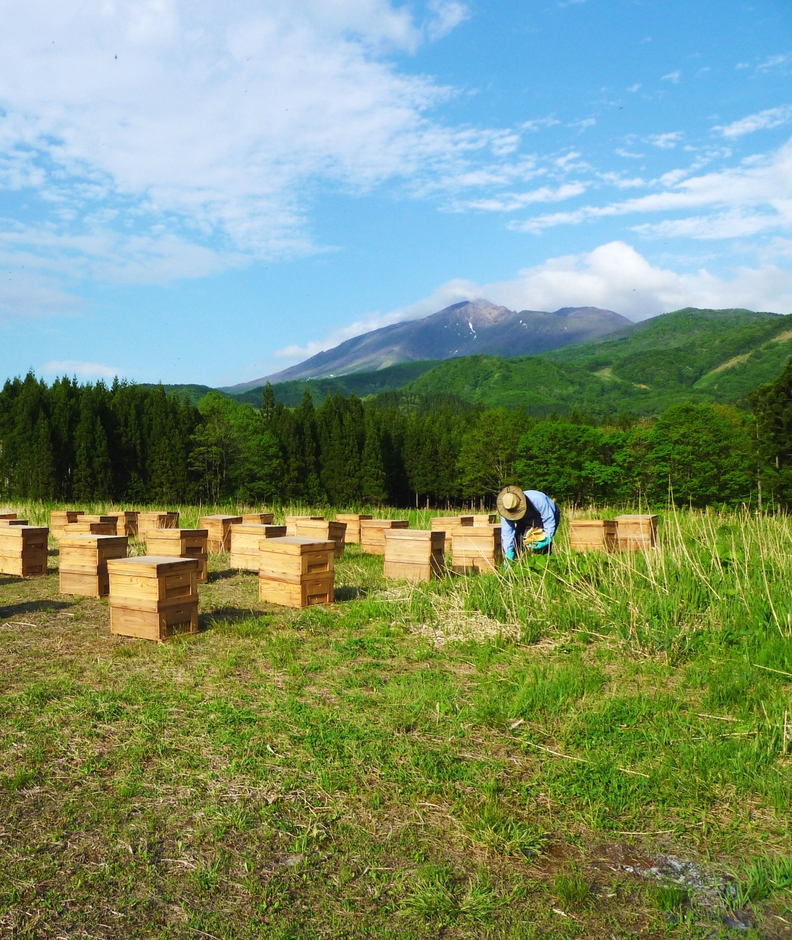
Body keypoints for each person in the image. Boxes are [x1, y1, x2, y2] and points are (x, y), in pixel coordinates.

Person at [497, 485, 560, 562]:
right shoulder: (507, 509)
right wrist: (508, 551)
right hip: (525, 520)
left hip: (548, 516)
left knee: (542, 548)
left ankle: (545, 564)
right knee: (518, 543)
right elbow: (507, 532)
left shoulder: (538, 499)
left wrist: (547, 537)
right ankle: (519, 563)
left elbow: (548, 520)